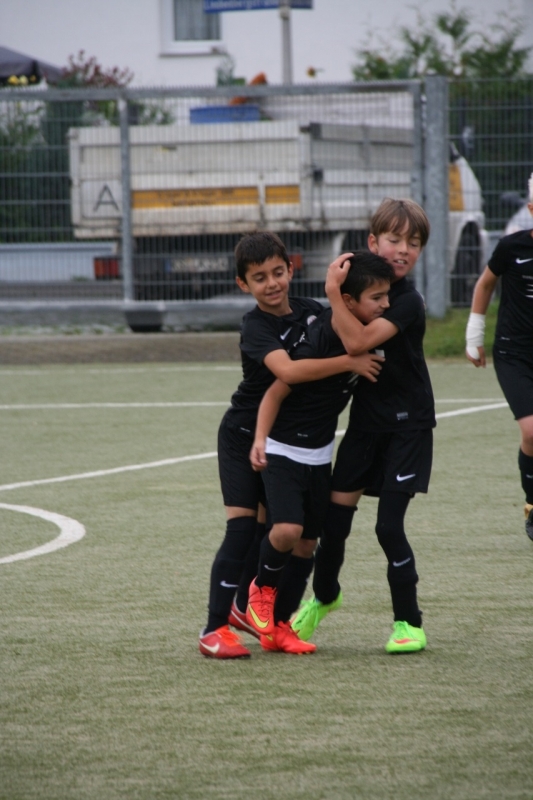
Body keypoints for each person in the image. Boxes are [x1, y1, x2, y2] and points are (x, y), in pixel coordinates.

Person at [199, 231, 383, 659]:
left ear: (291, 270)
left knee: (290, 536)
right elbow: (289, 372)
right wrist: (350, 361)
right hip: (246, 434)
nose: (272, 283)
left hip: (289, 439)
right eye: (259, 277)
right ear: (243, 284)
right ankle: (214, 629)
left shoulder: (311, 312)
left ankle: (272, 622)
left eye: (277, 272)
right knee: (243, 530)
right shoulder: (256, 326)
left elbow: (349, 326)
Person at [291, 197, 434, 654]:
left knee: (388, 528)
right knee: (333, 525)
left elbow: (358, 342)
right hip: (365, 427)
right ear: (373, 242)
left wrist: (333, 293)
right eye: (394, 239)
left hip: (408, 427)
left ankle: (409, 623)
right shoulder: (358, 287)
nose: (403, 249)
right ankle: (324, 598)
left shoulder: (406, 301)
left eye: (414, 242)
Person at [246, 252, 394, 655]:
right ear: (348, 302)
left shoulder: (371, 332)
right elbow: (276, 391)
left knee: (306, 545)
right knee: (286, 531)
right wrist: (260, 440)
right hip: (282, 449)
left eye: (387, 296)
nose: (385, 305)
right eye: (377, 298)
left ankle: (280, 627)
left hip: (319, 455)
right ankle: (261, 589)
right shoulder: (325, 336)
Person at [466, 173, 533, 541]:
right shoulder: (511, 247)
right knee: (532, 431)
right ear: (531, 209)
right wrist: (474, 334)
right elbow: (485, 284)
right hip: (513, 352)